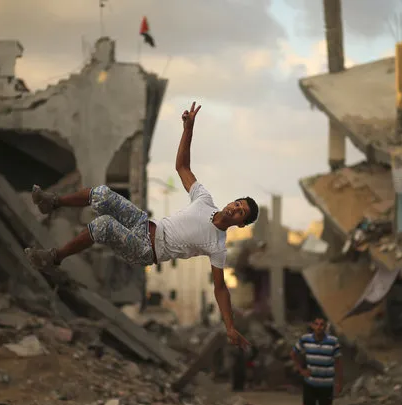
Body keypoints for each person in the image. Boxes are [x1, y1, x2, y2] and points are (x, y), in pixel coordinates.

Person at [24, 101, 258, 349]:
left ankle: (53, 258)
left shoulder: (217, 245)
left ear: (240, 224)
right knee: (102, 194)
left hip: (147, 250)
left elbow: (221, 289)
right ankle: (53, 202)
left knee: (103, 226)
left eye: (240, 212)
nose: (234, 208)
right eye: (237, 203)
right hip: (144, 223)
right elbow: (182, 167)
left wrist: (229, 326)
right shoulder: (204, 200)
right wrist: (188, 129)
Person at [290, 316, 342, 405]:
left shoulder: (333, 341)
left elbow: (338, 362)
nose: (319, 327)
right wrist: (301, 370)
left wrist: (338, 382)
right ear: (312, 326)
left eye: (321, 324)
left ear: (325, 326)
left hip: (326, 385)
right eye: (316, 324)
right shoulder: (305, 339)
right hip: (310, 384)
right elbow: (293, 354)